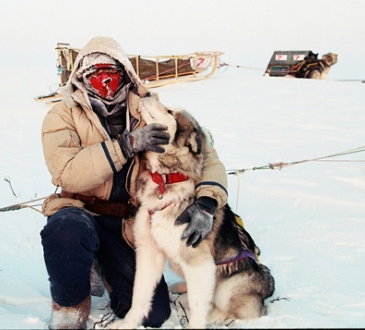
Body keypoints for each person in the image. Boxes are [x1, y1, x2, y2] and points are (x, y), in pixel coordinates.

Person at [39, 36, 229, 329]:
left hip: (127, 223)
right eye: (93, 73)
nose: (104, 80)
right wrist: (125, 145)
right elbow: (66, 172)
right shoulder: (62, 115)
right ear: (80, 77)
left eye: (111, 72)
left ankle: (105, 267)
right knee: (66, 230)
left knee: (154, 316)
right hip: (80, 210)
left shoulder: (146, 109)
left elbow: (206, 156)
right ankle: (70, 306)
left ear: (124, 73)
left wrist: (207, 200)